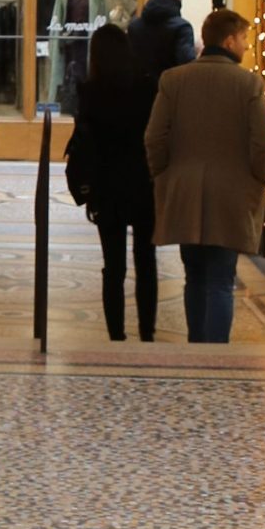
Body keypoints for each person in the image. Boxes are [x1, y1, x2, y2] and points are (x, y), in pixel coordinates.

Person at [144, 5, 265, 344]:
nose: (247, 45)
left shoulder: (174, 79)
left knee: (195, 277)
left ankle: (195, 347)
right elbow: (262, 142)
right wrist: (260, 178)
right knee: (220, 280)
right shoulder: (249, 84)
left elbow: (154, 137)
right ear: (229, 41)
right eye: (244, 38)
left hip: (184, 191)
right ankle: (215, 355)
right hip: (231, 195)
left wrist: (164, 175)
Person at [65, 21, 159, 341]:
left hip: (106, 187)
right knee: (146, 261)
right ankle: (147, 332)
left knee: (113, 266)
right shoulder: (147, 87)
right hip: (143, 183)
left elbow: (86, 143)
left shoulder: (90, 91)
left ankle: (116, 335)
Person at [128, 0, 197, 85]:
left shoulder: (134, 26)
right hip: (170, 91)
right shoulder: (182, 28)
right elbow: (187, 65)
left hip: (138, 92)